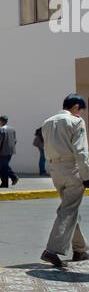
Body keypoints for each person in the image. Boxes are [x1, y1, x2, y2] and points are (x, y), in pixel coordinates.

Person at [40, 94, 89, 269]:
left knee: (69, 209)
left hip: (55, 170)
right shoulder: (76, 122)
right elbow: (81, 152)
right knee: (68, 209)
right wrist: (87, 176)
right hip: (72, 169)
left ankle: (80, 249)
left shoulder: (47, 122)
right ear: (76, 107)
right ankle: (52, 250)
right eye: (81, 110)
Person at [0, 116, 18, 188]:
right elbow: (15, 140)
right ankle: (11, 178)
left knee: (2, 168)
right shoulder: (12, 129)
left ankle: (6, 182)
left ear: (1, 121)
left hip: (2, 151)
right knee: (5, 166)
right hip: (10, 151)